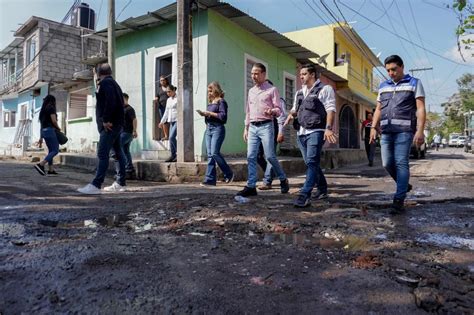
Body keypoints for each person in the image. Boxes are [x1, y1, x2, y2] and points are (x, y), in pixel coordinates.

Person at [370, 55, 426, 215]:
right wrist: (373, 127)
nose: (391, 73)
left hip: (405, 131)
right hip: (387, 131)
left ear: (402, 67)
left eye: (394, 69)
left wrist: (420, 130)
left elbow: (420, 108)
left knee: (401, 162)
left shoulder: (414, 83)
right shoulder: (383, 86)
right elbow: (379, 109)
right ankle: (404, 185)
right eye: (388, 70)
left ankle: (398, 200)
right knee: (387, 163)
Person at [284, 64, 337, 208]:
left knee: (312, 162)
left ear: (312, 75)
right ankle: (322, 189)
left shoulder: (325, 89)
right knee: (310, 163)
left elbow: (331, 109)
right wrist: (289, 115)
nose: (301, 77)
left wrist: (328, 128)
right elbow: (295, 109)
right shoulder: (299, 93)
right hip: (301, 132)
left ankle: (305, 194)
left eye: (304, 74)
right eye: (300, 74)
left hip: (317, 131)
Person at [237, 63, 289, 197]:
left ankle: (283, 179)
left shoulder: (272, 90)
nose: (253, 76)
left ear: (264, 74)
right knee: (251, 156)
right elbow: (248, 111)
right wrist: (246, 128)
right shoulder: (251, 91)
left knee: (270, 156)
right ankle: (251, 186)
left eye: (256, 73)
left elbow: (279, 109)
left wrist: (272, 110)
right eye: (252, 73)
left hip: (266, 126)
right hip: (253, 127)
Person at [78, 63, 127, 194]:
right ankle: (120, 183)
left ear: (99, 73)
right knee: (117, 153)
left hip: (110, 125)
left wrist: (106, 120)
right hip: (117, 123)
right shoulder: (114, 84)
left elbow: (110, 102)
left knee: (102, 153)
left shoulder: (106, 84)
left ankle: (96, 185)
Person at [198, 81, 234, 186]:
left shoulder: (221, 102)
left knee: (214, 153)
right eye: (208, 91)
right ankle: (210, 180)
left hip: (218, 129)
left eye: (210, 91)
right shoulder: (211, 103)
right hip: (208, 129)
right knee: (210, 155)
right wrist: (204, 114)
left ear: (216, 90)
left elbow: (223, 117)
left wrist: (209, 113)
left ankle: (229, 173)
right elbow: (212, 115)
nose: (209, 93)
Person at [257, 79, 287, 190]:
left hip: (272, 127)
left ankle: (267, 180)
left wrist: (280, 133)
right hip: (259, 127)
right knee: (257, 155)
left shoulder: (278, 100)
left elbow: (281, 118)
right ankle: (271, 173)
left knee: (270, 155)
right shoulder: (259, 100)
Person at [34, 95, 61, 176]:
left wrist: (41, 137)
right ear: (52, 101)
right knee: (55, 150)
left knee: (51, 150)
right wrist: (58, 128)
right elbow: (54, 121)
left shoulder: (43, 111)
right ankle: (41, 164)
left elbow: (41, 125)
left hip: (44, 131)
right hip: (50, 131)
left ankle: (51, 170)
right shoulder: (51, 108)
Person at [120, 93, 137, 176]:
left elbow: (134, 120)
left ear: (126, 99)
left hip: (127, 133)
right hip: (123, 132)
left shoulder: (129, 109)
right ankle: (129, 168)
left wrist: (134, 131)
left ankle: (123, 168)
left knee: (117, 147)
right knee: (126, 150)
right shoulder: (121, 108)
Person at [159, 85, 178, 162]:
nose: (168, 93)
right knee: (171, 139)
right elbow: (166, 111)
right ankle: (173, 155)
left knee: (171, 137)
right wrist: (162, 121)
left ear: (174, 90)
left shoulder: (178, 98)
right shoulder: (169, 100)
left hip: (177, 120)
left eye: (169, 91)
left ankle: (177, 154)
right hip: (171, 120)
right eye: (167, 92)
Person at [155, 75, 170, 140]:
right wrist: (156, 99)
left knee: (171, 120)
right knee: (164, 121)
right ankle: (166, 136)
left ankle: (172, 134)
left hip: (170, 107)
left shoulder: (169, 87)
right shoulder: (159, 89)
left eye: (163, 80)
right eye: (161, 80)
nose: (162, 81)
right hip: (161, 107)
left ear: (166, 80)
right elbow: (157, 96)